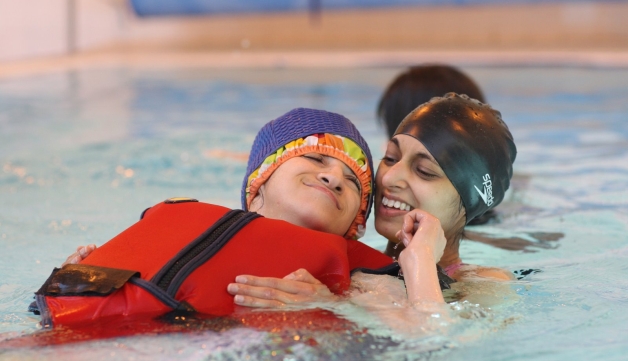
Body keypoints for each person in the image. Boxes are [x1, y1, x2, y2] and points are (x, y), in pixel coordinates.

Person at [50, 107, 447, 327]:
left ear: (352, 229)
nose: (333, 177)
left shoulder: (359, 280)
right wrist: (78, 276)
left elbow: (432, 337)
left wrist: (334, 306)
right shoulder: (181, 220)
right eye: (314, 158)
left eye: (353, 183)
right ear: (257, 188)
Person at [228, 93, 517, 309]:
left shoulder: (484, 286)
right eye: (390, 158)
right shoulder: (355, 268)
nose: (390, 178)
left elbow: (442, 345)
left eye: (425, 171)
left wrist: (420, 260)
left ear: (467, 203)